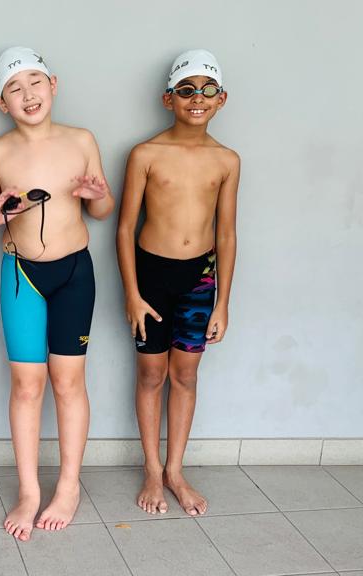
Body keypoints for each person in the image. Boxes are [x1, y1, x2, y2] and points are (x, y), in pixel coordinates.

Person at [0, 47, 114, 541]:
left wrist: (98, 199)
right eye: (15, 87)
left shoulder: (81, 140)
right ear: (0, 102)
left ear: (54, 84)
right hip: (20, 276)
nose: (28, 94)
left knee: (69, 383)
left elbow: (102, 209)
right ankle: (29, 490)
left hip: (75, 273)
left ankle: (68, 484)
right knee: (27, 386)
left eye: (35, 82)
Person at [115, 49, 239, 516]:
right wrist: (131, 292)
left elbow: (226, 233)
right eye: (187, 90)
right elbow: (125, 228)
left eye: (208, 90)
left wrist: (223, 302)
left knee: (185, 374)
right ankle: (151, 468)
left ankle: (175, 471)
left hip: (199, 279)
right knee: (151, 373)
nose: (197, 99)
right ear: (169, 98)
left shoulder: (227, 160)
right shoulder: (146, 153)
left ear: (221, 98)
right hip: (150, 277)